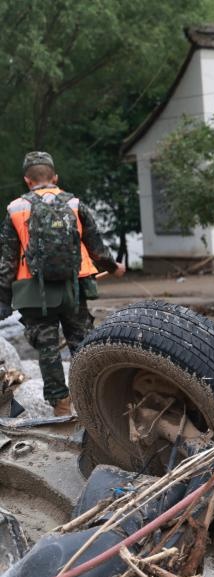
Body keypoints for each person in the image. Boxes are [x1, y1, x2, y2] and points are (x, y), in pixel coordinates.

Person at [0, 151, 125, 415]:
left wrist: (3, 300)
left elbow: (7, 261)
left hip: (34, 292)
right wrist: (115, 269)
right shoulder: (75, 205)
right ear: (55, 177)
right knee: (82, 343)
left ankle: (61, 405)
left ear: (27, 180)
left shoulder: (16, 209)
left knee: (47, 349)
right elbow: (97, 248)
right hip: (74, 287)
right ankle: (92, 400)